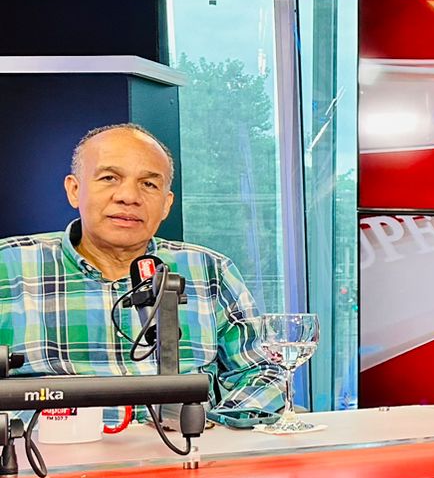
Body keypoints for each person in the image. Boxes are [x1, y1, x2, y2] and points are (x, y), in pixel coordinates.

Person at [0, 124, 285, 421]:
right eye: (109, 178)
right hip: (46, 448)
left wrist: (214, 425)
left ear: (166, 204)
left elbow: (265, 371)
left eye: (148, 184)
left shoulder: (210, 270)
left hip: (186, 446)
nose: (128, 197)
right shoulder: (8, 266)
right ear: (74, 190)